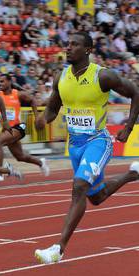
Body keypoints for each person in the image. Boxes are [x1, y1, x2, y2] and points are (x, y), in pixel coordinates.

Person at [34, 32, 139, 264]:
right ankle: (133, 174)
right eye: (67, 44)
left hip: (98, 142)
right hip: (75, 145)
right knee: (96, 196)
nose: (68, 48)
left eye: (75, 45)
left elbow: (135, 92)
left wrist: (129, 127)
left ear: (88, 50)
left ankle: (58, 249)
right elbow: (53, 107)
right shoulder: (60, 77)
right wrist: (43, 118)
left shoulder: (103, 76)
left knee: (79, 186)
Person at [0, 74, 50, 182]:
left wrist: (36, 117)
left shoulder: (18, 94)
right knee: (20, 157)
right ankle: (41, 162)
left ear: (9, 82)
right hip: (7, 130)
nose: (0, 84)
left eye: (2, 81)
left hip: (18, 127)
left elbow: (32, 100)